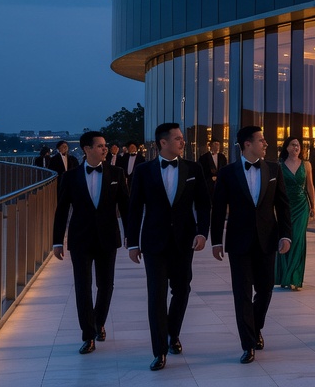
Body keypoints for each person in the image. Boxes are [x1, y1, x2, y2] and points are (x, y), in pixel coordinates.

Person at [125, 123, 210, 371]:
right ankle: (159, 350)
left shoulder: (193, 169)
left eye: (182, 138)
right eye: (178, 138)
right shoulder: (143, 171)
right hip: (154, 242)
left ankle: (173, 332)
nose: (183, 142)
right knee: (156, 296)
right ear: (163, 143)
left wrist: (202, 233)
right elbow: (135, 209)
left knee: (182, 290)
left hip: (185, 240)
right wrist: (132, 243)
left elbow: (204, 204)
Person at [211, 126, 292, 365]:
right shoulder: (227, 173)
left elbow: (283, 206)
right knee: (242, 293)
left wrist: (285, 236)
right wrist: (216, 240)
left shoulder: (274, 169)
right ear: (247, 144)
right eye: (262, 140)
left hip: (267, 239)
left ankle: (255, 327)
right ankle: (247, 343)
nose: (266, 144)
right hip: (239, 241)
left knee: (266, 289)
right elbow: (218, 209)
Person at [51, 131, 129, 354]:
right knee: (82, 287)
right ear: (86, 149)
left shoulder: (116, 172)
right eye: (100, 146)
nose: (105, 149)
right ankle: (88, 335)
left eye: (105, 145)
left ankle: (99, 321)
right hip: (80, 239)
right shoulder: (71, 176)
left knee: (106, 285)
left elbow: (126, 206)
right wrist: (57, 241)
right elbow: (62, 210)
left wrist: (131, 237)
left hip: (107, 237)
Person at [275, 137, 315, 290]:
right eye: (293, 145)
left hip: (301, 206)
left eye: (298, 145)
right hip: (285, 206)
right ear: (286, 148)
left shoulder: (306, 165)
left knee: (298, 240)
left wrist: (314, 206)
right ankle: (284, 276)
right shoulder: (279, 166)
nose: (296, 147)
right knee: (285, 238)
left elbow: (310, 186)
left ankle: (295, 278)